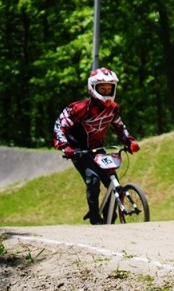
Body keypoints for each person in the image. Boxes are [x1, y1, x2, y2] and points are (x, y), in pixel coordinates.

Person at [53, 68, 140, 225]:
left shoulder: (112, 108)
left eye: (109, 88)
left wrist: (129, 142)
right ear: (92, 88)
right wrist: (65, 146)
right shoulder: (79, 109)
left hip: (97, 149)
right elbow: (60, 125)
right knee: (92, 180)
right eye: (102, 88)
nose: (106, 91)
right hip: (78, 151)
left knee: (113, 182)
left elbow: (120, 127)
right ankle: (94, 218)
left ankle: (109, 217)